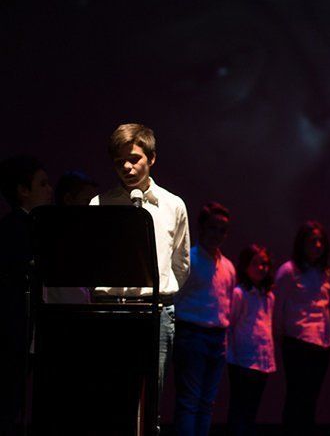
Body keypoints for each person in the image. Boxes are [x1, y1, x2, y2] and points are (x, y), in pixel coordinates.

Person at [90, 123, 191, 427]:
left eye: (134, 158)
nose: (127, 166)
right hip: (111, 309)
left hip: (155, 310)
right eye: (120, 161)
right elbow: (92, 259)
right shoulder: (100, 204)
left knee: (150, 401)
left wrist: (158, 291)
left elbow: (181, 264)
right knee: (111, 396)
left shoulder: (173, 205)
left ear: (152, 158)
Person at [0, 155, 52, 434]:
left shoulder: (30, 226)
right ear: (23, 190)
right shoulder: (16, 230)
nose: (49, 190)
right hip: (13, 333)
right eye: (42, 184)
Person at [174, 201, 235, 436]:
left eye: (222, 230)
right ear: (201, 228)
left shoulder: (228, 267)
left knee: (207, 403)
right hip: (191, 335)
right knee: (190, 401)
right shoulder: (190, 261)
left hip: (217, 338)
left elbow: (226, 304)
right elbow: (176, 298)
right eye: (213, 228)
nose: (217, 235)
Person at [274, 220, 330, 434]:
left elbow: (323, 307)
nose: (317, 246)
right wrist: (279, 338)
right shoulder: (288, 271)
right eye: (312, 241)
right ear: (302, 243)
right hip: (298, 342)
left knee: (311, 399)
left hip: (322, 344)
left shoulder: (324, 271)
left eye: (321, 241)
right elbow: (277, 307)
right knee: (296, 397)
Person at [227, 243, 276, 436]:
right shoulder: (240, 293)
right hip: (242, 360)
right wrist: (233, 356)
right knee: (239, 407)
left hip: (261, 360)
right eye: (256, 263)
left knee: (252, 409)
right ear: (246, 266)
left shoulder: (268, 295)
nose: (261, 268)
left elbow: (266, 326)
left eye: (264, 264)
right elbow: (231, 324)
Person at [43, 169, 99, 304]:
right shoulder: (52, 237)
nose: (94, 208)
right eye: (87, 201)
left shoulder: (88, 235)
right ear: (68, 199)